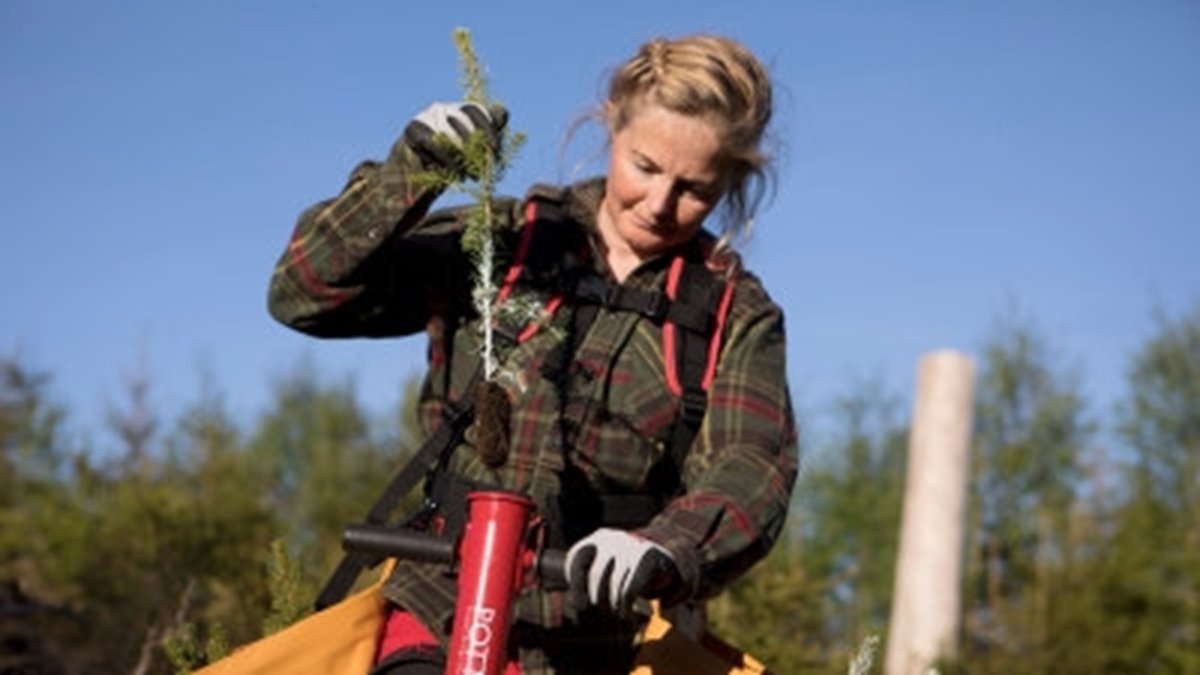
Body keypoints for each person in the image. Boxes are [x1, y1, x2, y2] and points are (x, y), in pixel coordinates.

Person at [268, 33, 799, 675]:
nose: (659, 204)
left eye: (694, 189)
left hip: (595, 637)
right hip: (439, 600)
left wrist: (663, 547)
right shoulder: (509, 242)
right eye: (646, 167)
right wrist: (413, 172)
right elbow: (306, 294)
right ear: (611, 127)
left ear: (731, 182)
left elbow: (751, 470)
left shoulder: (733, 313)